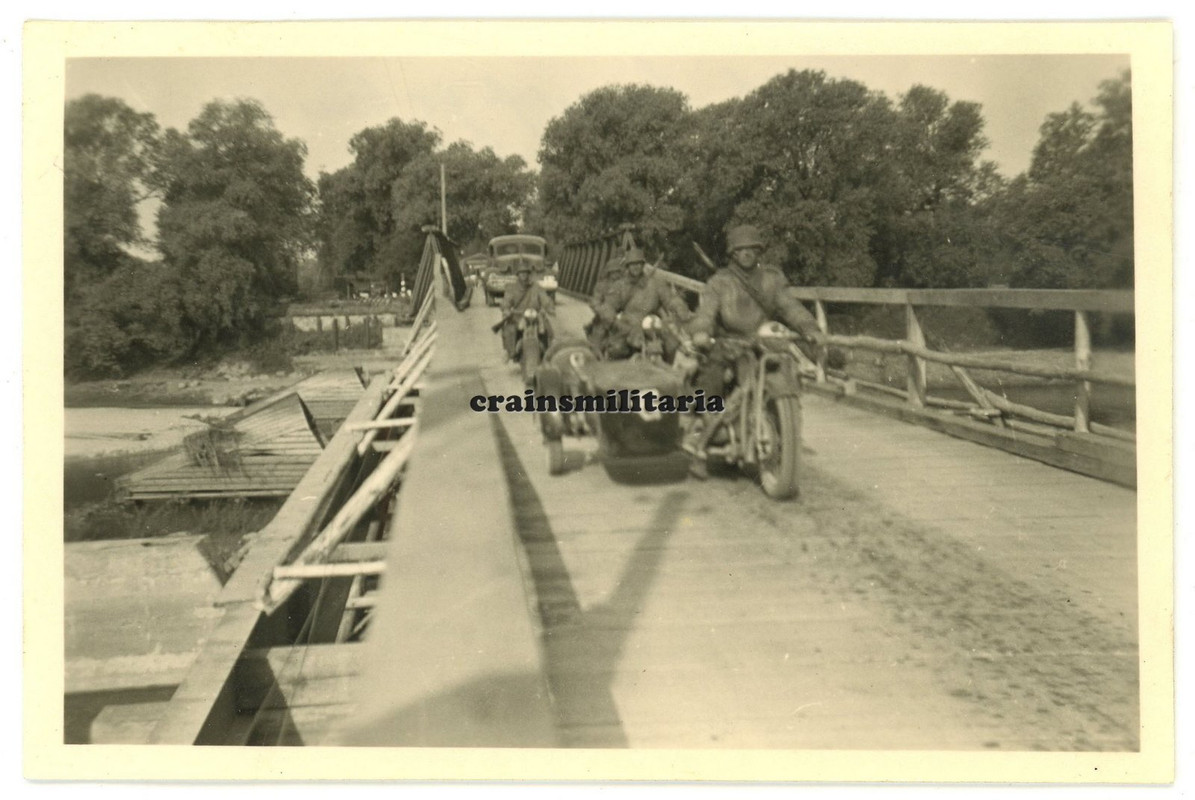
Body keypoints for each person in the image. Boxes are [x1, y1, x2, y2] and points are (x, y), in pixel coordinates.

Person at [683, 224, 824, 477]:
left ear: (759, 251)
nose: (746, 253)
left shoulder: (771, 279)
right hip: (728, 344)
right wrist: (702, 332)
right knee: (712, 379)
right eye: (741, 249)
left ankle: (781, 422)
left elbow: (790, 307)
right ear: (733, 253)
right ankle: (701, 440)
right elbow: (706, 312)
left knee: (787, 370)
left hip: (763, 342)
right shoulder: (720, 282)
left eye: (752, 249)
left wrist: (809, 327)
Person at [601, 247, 692, 359]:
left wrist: (680, 307)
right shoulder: (620, 285)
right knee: (617, 349)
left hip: (652, 325)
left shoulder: (655, 283)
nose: (636, 267)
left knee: (672, 346)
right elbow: (608, 306)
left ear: (643, 265)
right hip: (628, 325)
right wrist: (616, 322)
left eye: (639, 263)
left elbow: (670, 299)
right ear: (627, 266)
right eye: (632, 264)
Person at [499, 262, 555, 361]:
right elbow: (506, 300)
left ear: (529, 274)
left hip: (535, 315)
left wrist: (549, 307)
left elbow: (544, 298)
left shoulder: (536, 286)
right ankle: (510, 352)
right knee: (509, 329)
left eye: (525, 273)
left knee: (548, 329)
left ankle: (549, 352)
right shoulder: (512, 288)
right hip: (518, 316)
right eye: (521, 273)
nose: (523, 275)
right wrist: (506, 309)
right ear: (517, 275)